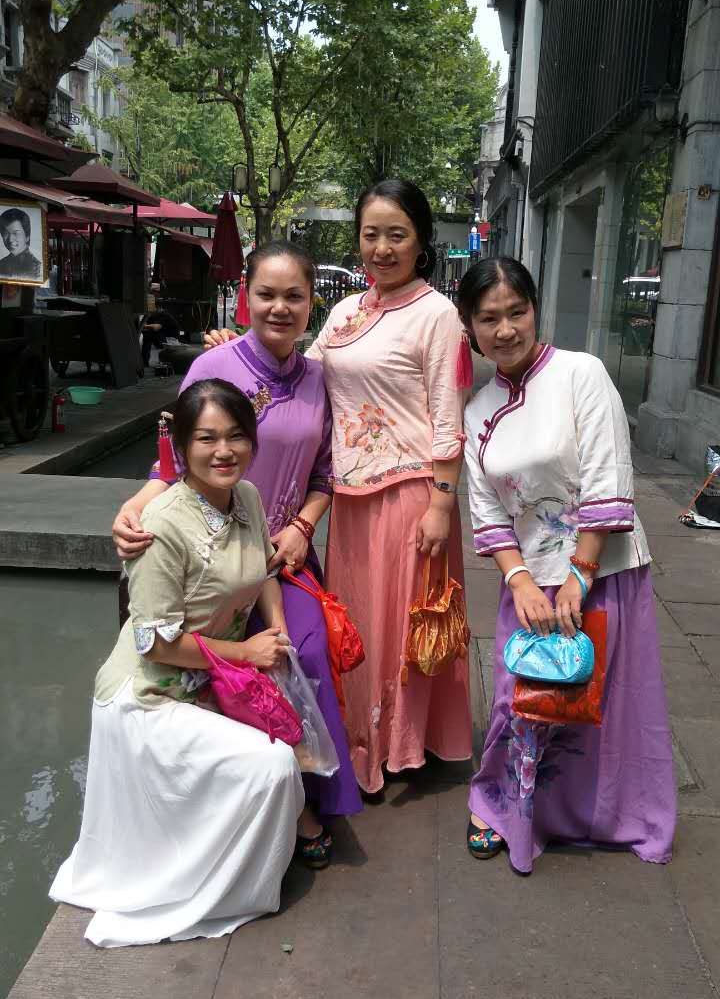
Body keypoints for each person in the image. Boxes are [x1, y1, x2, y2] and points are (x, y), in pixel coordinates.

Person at [112, 241, 362, 867]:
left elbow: (327, 469)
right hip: (209, 558)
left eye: (294, 296)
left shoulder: (317, 378)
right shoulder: (214, 366)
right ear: (245, 296)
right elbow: (174, 460)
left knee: (301, 650)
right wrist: (137, 505)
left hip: (283, 557)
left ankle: (308, 792)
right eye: (267, 294)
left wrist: (304, 526)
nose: (280, 308)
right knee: (223, 665)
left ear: (312, 304)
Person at [50, 379, 305, 947]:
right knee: (273, 767)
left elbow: (263, 573)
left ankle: (231, 865)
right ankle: (222, 891)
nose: (223, 451)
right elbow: (153, 643)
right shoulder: (160, 525)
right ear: (182, 448)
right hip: (149, 695)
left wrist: (279, 629)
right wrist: (247, 652)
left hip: (211, 678)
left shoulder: (249, 498)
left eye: (237, 437)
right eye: (207, 439)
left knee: (293, 742)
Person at [459, 256, 676, 873]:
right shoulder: (476, 411)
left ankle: (604, 812)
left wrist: (578, 575)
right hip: (526, 583)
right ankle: (505, 807)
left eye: (516, 312)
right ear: (470, 327)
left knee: (597, 698)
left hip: (601, 569)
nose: (505, 330)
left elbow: (609, 478)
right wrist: (520, 579)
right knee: (520, 699)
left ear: (536, 309)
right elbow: (486, 510)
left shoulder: (583, 374)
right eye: (489, 318)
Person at [306, 180, 472, 794]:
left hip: (412, 496)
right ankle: (359, 738)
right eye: (371, 233)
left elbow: (447, 412)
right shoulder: (345, 312)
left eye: (396, 234)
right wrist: (236, 351)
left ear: (421, 241)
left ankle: (401, 744)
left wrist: (442, 503)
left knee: (405, 625)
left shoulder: (439, 315)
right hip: (349, 500)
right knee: (357, 624)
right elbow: (305, 373)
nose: (382, 247)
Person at [0, 207, 41, 280]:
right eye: (5, 233)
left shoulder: (37, 268)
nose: (10, 239)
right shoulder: (2, 263)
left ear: (27, 236)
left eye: (16, 233)